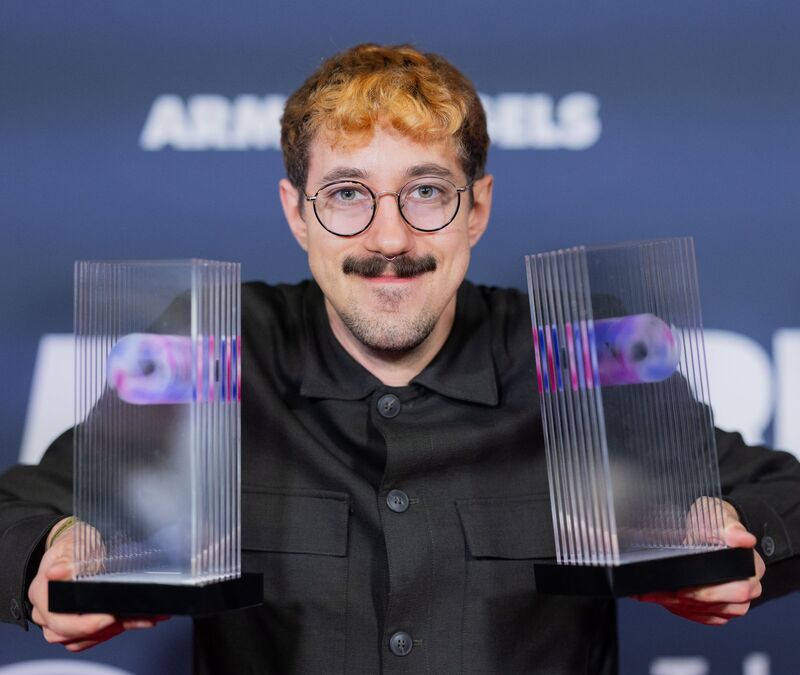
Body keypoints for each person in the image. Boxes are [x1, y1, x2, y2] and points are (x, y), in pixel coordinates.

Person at [1, 43, 799, 674]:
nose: (389, 239)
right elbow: (23, 509)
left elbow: (780, 494)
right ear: (296, 214)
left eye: (426, 191)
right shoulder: (213, 345)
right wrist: (56, 549)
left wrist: (743, 536)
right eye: (347, 193)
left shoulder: (581, 347)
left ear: (477, 207)